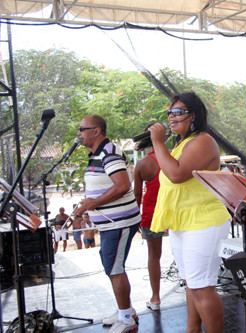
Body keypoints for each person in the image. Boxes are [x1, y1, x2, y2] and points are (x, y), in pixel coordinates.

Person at [149, 92, 231, 333]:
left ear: (193, 116)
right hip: (184, 224)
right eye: (169, 112)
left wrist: (157, 142)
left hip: (204, 222)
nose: (171, 117)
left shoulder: (204, 141)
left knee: (202, 286)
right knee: (191, 284)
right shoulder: (182, 144)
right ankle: (192, 330)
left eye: (178, 112)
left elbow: (176, 175)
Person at [74, 115, 141, 333]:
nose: (79, 133)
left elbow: (122, 185)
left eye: (82, 129)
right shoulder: (96, 154)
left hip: (119, 222)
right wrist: (87, 205)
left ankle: (127, 321)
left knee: (114, 268)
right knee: (112, 266)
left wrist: (95, 203)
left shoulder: (109, 153)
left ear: (96, 131)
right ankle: (126, 311)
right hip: (109, 223)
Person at [133, 124, 166, 311]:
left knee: (154, 256)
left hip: (152, 215)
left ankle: (155, 298)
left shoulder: (143, 164)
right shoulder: (174, 158)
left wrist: (137, 216)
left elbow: (137, 196)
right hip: (176, 213)